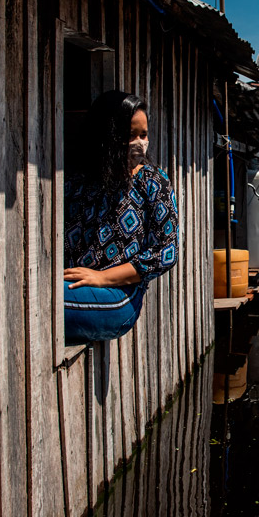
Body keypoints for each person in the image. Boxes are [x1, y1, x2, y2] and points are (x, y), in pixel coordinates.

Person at [62, 91, 179, 344]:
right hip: (76, 285)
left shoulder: (153, 181)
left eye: (143, 135)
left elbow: (166, 253)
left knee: (45, 301)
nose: (139, 143)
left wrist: (101, 277)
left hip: (119, 297)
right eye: (130, 136)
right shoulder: (77, 180)